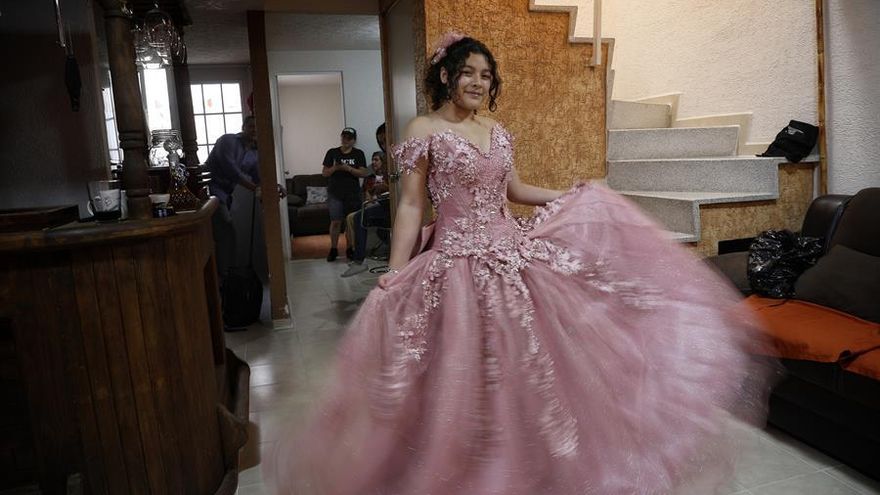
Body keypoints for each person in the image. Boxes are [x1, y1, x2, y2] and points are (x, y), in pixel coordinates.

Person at [267, 33, 779, 494]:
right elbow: (411, 205)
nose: (478, 82)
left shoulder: (497, 129)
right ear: (445, 75)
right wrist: (397, 269)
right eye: (468, 72)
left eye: (486, 75)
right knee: (464, 375)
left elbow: (513, 190)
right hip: (455, 264)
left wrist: (570, 194)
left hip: (513, 255)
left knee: (533, 370)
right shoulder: (424, 128)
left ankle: (535, 468)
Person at [206, 116, 285, 280]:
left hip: (226, 196)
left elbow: (260, 178)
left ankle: (227, 276)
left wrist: (276, 187)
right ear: (243, 127)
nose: (255, 130)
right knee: (226, 232)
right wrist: (258, 189)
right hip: (209, 193)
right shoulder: (227, 141)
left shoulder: (255, 153)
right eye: (251, 126)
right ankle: (223, 276)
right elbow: (232, 172)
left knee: (226, 235)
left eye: (258, 127)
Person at [341, 151, 391, 277]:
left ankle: (359, 260)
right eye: (372, 160)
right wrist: (371, 199)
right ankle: (354, 253)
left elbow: (392, 189)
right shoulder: (369, 178)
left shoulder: (389, 173)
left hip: (388, 206)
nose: (373, 162)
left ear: (383, 161)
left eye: (376, 160)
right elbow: (366, 196)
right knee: (356, 216)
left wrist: (383, 187)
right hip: (374, 205)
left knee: (359, 217)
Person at [322, 127, 369, 262]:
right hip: (335, 193)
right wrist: (335, 168)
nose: (346, 140)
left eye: (349, 138)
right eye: (344, 137)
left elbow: (364, 173)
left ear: (354, 140)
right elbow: (324, 173)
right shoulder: (332, 152)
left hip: (353, 193)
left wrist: (348, 169)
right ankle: (333, 248)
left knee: (350, 222)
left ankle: (350, 248)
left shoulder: (358, 154)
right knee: (335, 221)